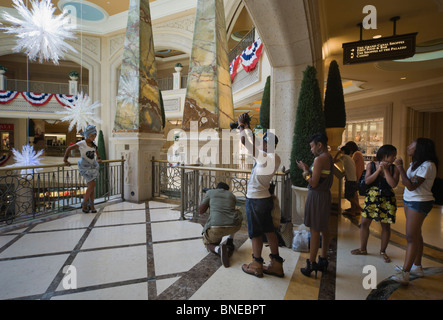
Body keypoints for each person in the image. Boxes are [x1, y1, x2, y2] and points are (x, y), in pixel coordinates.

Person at [237, 113, 283, 278]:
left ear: (267, 143)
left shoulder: (265, 157)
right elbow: (252, 143)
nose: (262, 143)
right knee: (269, 230)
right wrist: (246, 128)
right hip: (264, 199)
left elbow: (244, 141)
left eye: (264, 141)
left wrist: (242, 126)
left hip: (255, 200)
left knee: (255, 233)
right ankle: (276, 264)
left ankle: (256, 264)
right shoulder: (275, 158)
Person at [391, 138, 438, 285]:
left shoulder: (428, 165)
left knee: (411, 237)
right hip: (410, 200)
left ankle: (405, 273)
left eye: (412, 145)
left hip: (419, 202)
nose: (408, 146)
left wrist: (400, 167)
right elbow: (406, 183)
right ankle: (417, 267)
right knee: (416, 234)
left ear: (420, 149)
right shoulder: (415, 164)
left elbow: (410, 185)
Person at [351, 144, 400, 263]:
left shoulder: (395, 168)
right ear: (384, 155)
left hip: (387, 198)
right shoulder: (371, 166)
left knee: (386, 226)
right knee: (364, 223)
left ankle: (383, 251)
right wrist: (379, 170)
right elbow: (367, 181)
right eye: (392, 155)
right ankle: (363, 249)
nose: (394, 157)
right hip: (372, 198)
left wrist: (386, 171)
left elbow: (393, 184)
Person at [296, 132, 334, 278]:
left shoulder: (319, 159)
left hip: (317, 197)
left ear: (319, 145)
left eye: (312, 146)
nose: (311, 149)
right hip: (324, 196)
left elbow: (313, 182)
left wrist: (305, 171)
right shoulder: (329, 157)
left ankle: (311, 263)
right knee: (324, 228)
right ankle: (323, 259)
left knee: (315, 230)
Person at [198, 182, 243, 268]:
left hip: (216, 228)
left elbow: (201, 211)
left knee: (207, 243)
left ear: (216, 188)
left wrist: (206, 198)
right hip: (234, 226)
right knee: (233, 216)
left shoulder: (211, 192)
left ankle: (219, 250)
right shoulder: (231, 195)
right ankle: (230, 241)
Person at [64, 125, 102, 213]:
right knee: (92, 185)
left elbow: (96, 152)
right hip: (85, 167)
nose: (94, 137)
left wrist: (99, 158)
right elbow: (69, 148)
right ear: (88, 135)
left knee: (91, 187)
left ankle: (91, 206)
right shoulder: (82, 143)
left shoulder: (93, 144)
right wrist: (65, 160)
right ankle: (84, 203)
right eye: (93, 135)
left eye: (95, 135)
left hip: (93, 166)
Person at [334, 145, 359, 215]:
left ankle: (359, 208)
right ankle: (353, 211)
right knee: (352, 196)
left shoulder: (344, 157)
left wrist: (338, 153)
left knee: (348, 196)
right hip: (353, 179)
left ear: (343, 151)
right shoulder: (350, 158)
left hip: (350, 180)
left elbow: (334, 161)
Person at [345, 141, 364, 214]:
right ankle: (354, 208)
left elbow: (351, 162)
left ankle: (357, 208)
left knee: (352, 194)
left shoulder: (357, 154)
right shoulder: (358, 153)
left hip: (356, 176)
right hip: (356, 176)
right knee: (354, 194)